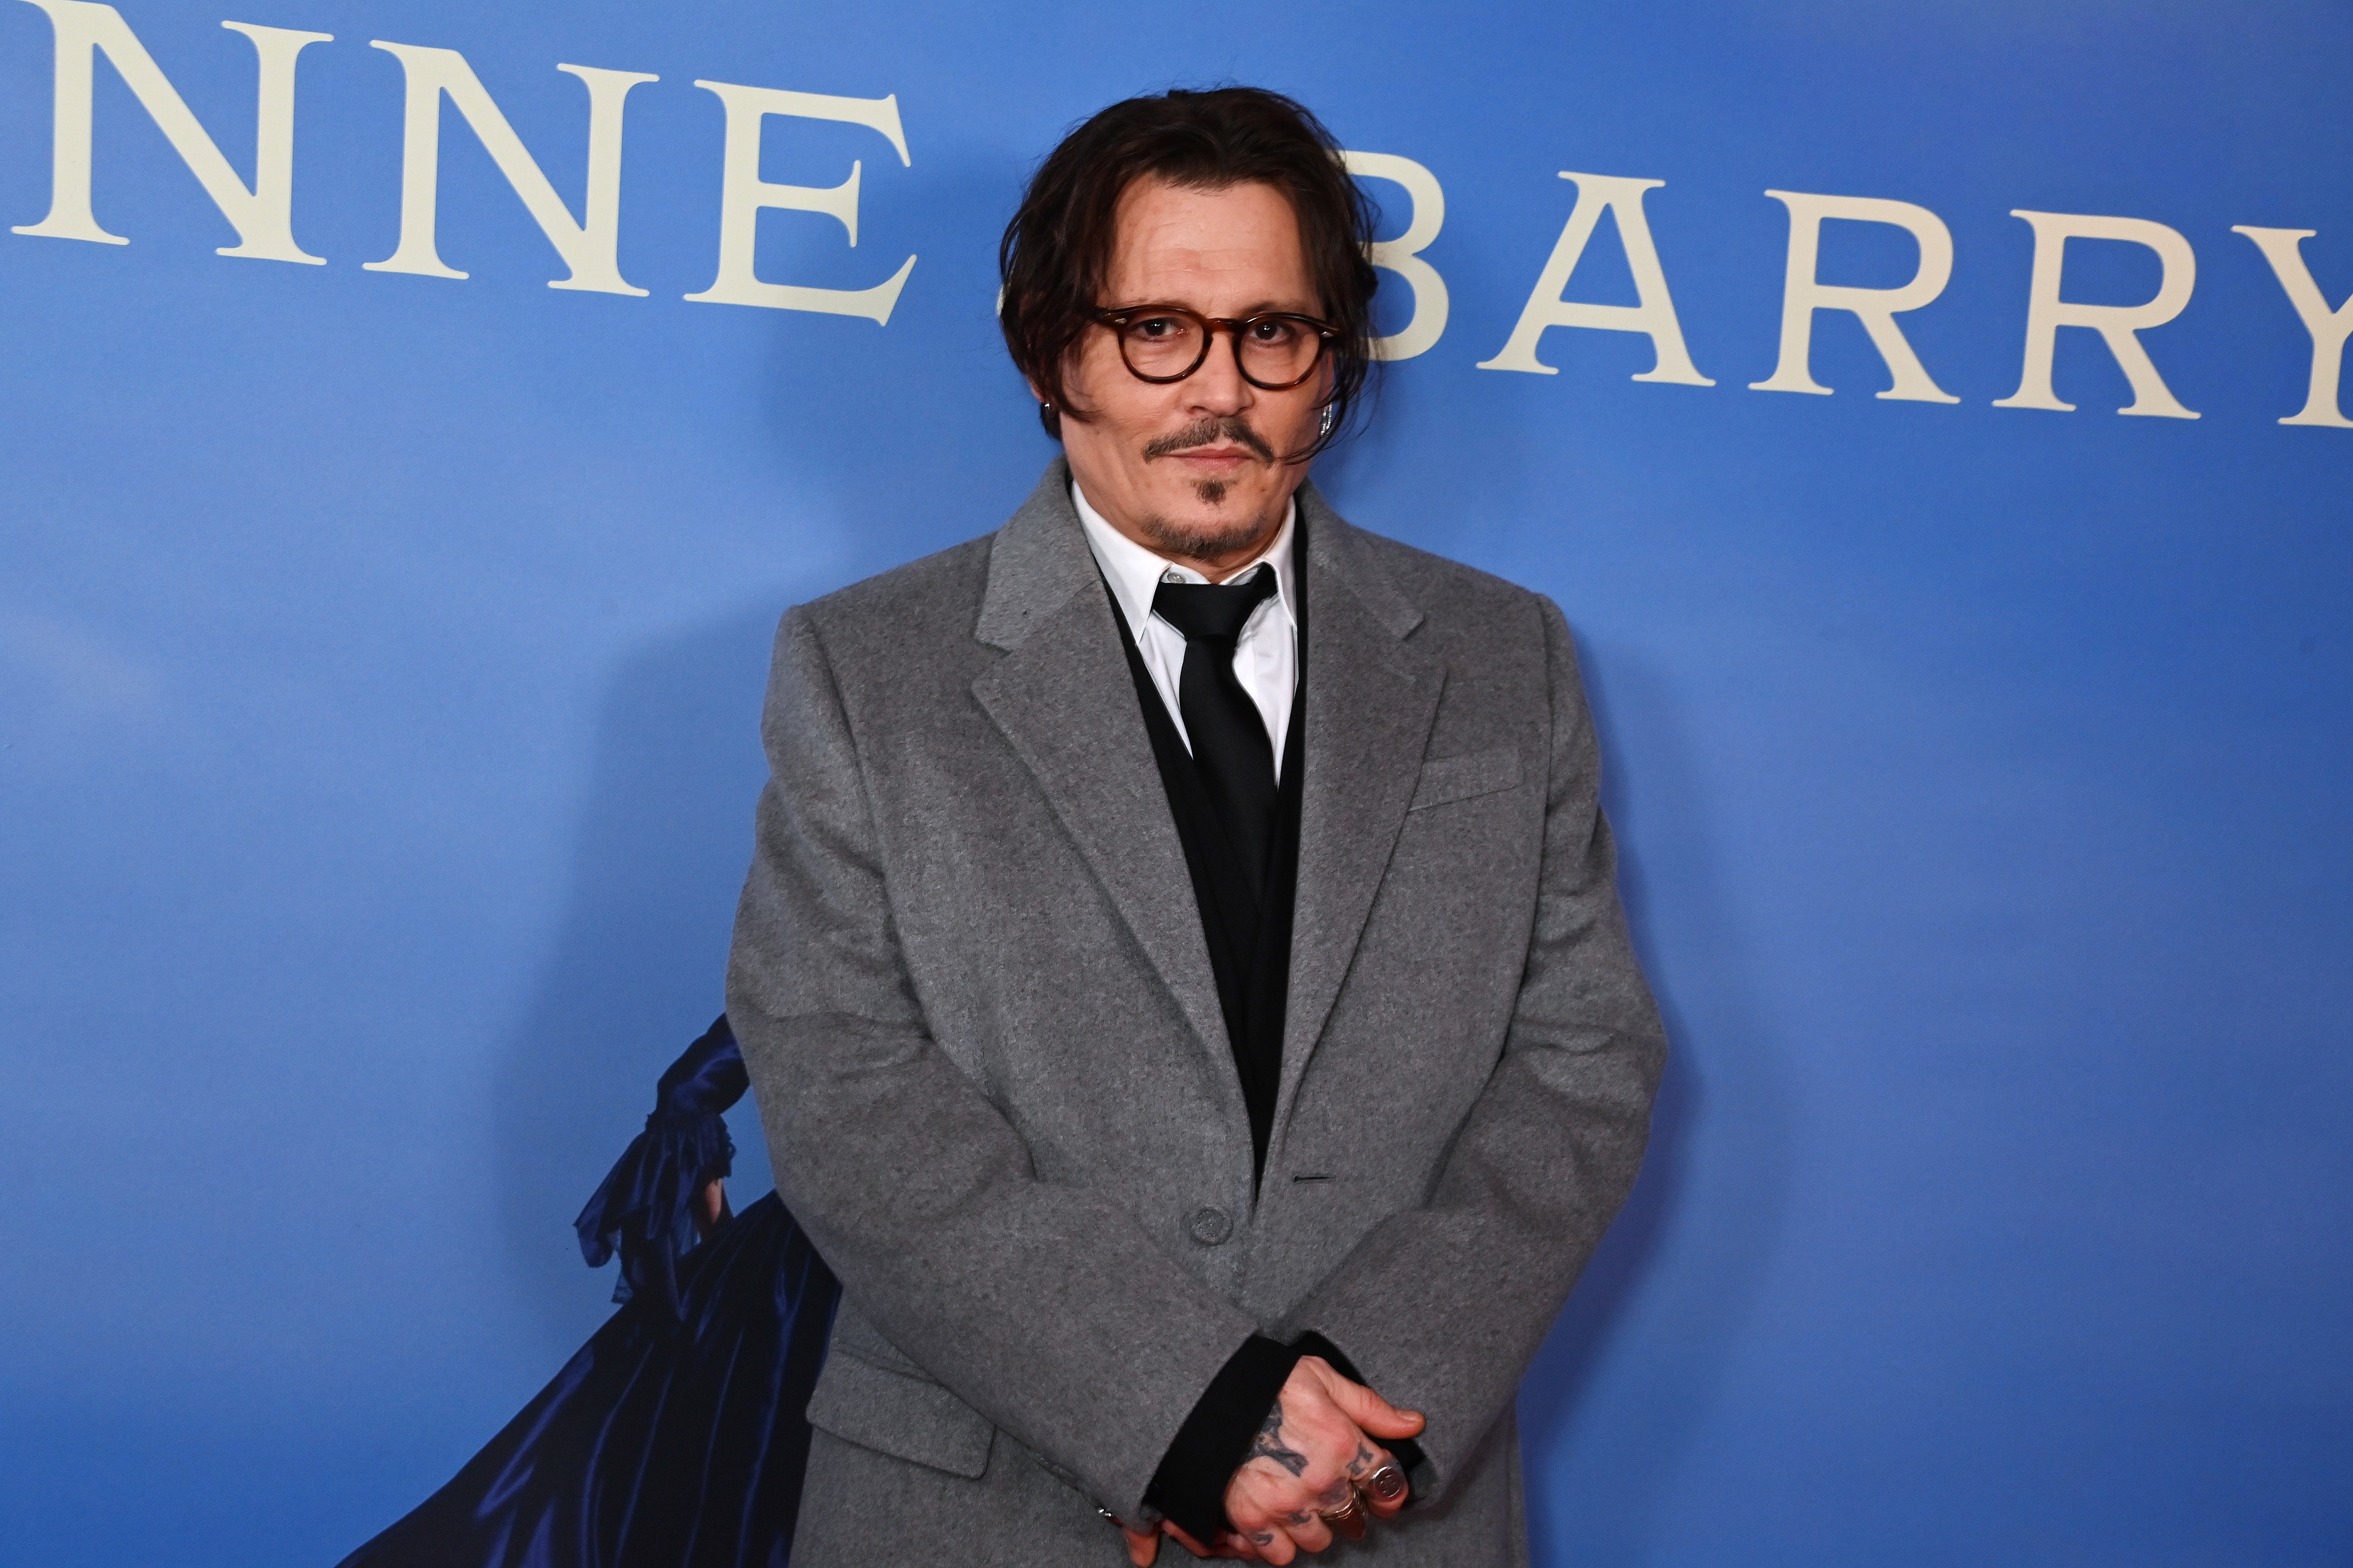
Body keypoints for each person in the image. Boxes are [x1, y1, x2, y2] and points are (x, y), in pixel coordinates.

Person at [724, 85, 1667, 1568]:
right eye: (1155, 329)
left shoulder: (1505, 658)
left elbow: (1584, 1056)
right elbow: (844, 1088)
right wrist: (1197, 1406)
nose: (1216, 390)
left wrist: (1338, 1411)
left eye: (1270, 333)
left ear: (1329, 363)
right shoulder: (864, 667)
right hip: (978, 1510)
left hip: (1382, 1505)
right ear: (1053, 353)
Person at [332, 1016, 839, 1568]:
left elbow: (687, 1091)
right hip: (850, 1275)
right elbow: (687, 1095)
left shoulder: (822, 947)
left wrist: (731, 1247)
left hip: (808, 1266)